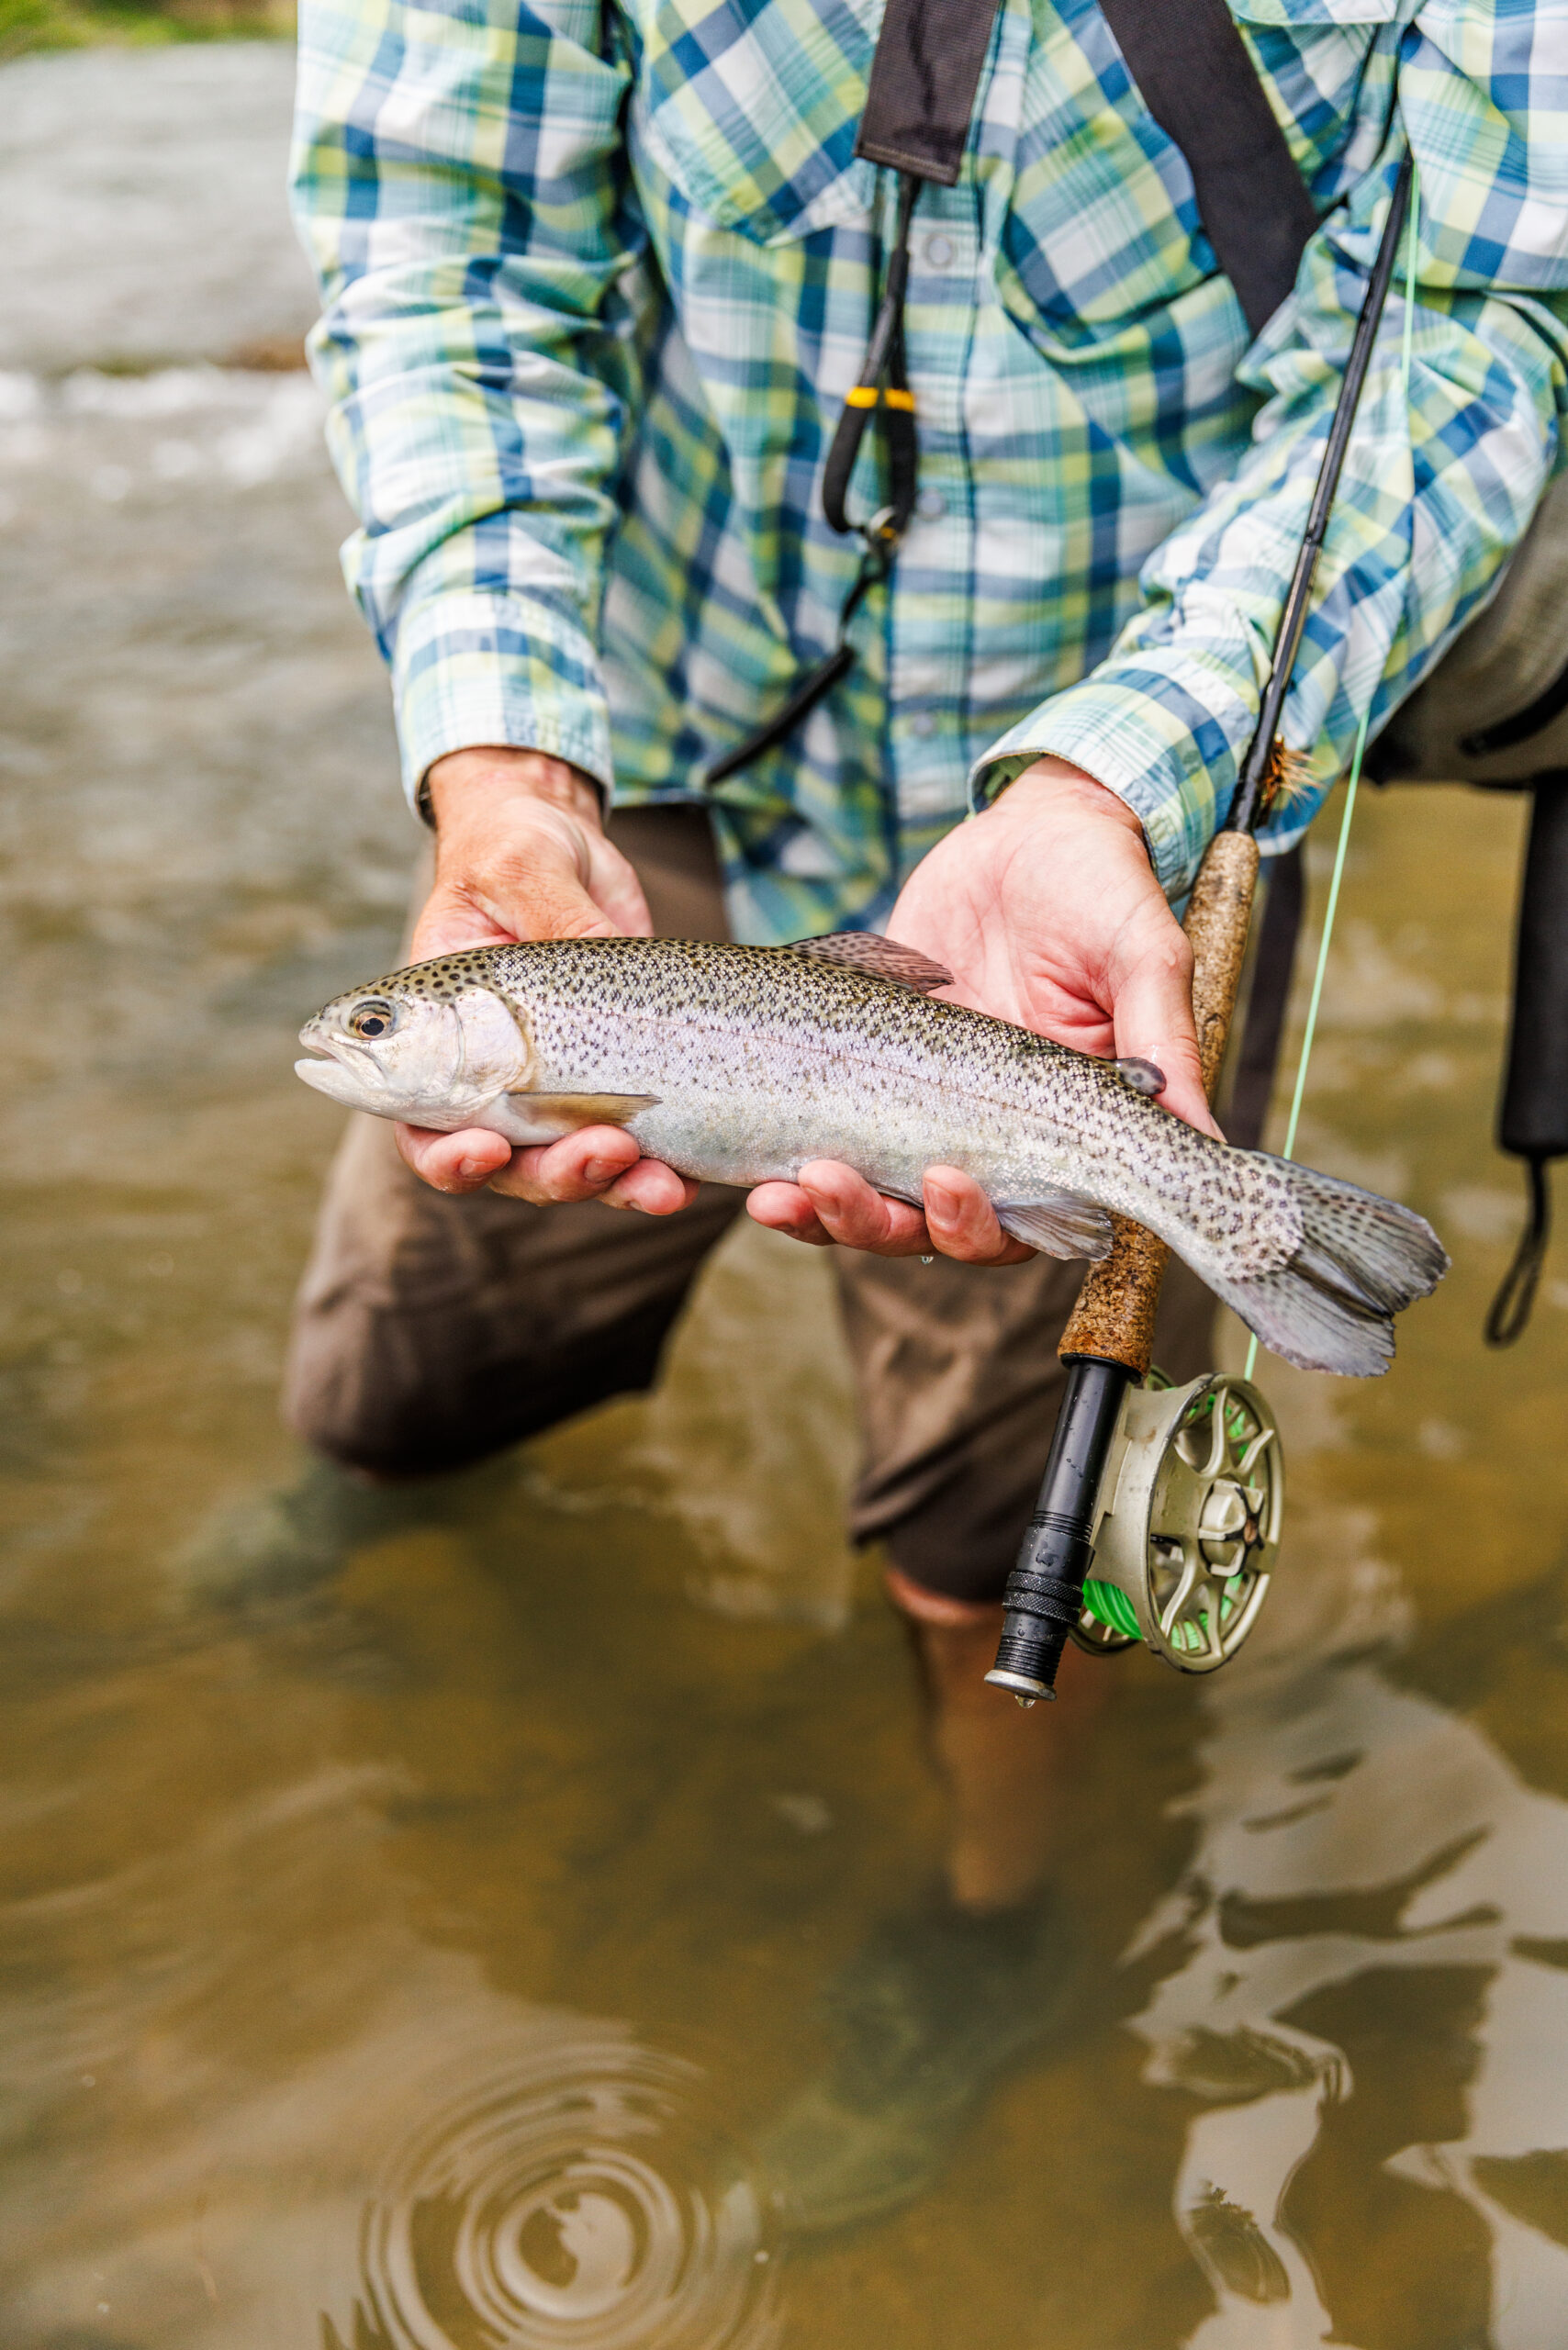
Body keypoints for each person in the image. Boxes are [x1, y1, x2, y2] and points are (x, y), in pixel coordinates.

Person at [286, 0, 1567, 2223]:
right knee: (399, 1371)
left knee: (993, 1532)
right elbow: (440, 246)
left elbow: (1469, 327)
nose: (365, 1033)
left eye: (396, 1026)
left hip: (1103, 837)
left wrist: (1114, 776)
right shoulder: (520, 941)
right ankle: (332, 1548)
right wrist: (496, 763)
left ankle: (992, 1927)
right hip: (624, 769)